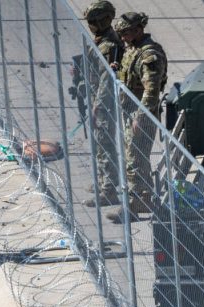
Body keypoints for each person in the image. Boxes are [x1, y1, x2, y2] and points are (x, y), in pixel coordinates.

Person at [106, 11, 167, 223]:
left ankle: (134, 204)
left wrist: (140, 117)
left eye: (125, 33)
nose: (122, 37)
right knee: (133, 158)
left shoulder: (150, 55)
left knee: (135, 159)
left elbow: (151, 91)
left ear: (138, 30)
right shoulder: (133, 49)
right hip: (130, 109)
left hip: (141, 113)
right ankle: (142, 198)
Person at [81, 0, 125, 207]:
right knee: (101, 143)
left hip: (105, 102)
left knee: (104, 144)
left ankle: (108, 191)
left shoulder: (108, 45)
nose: (93, 24)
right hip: (99, 99)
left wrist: (97, 105)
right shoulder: (103, 40)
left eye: (96, 21)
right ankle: (105, 182)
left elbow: (107, 79)